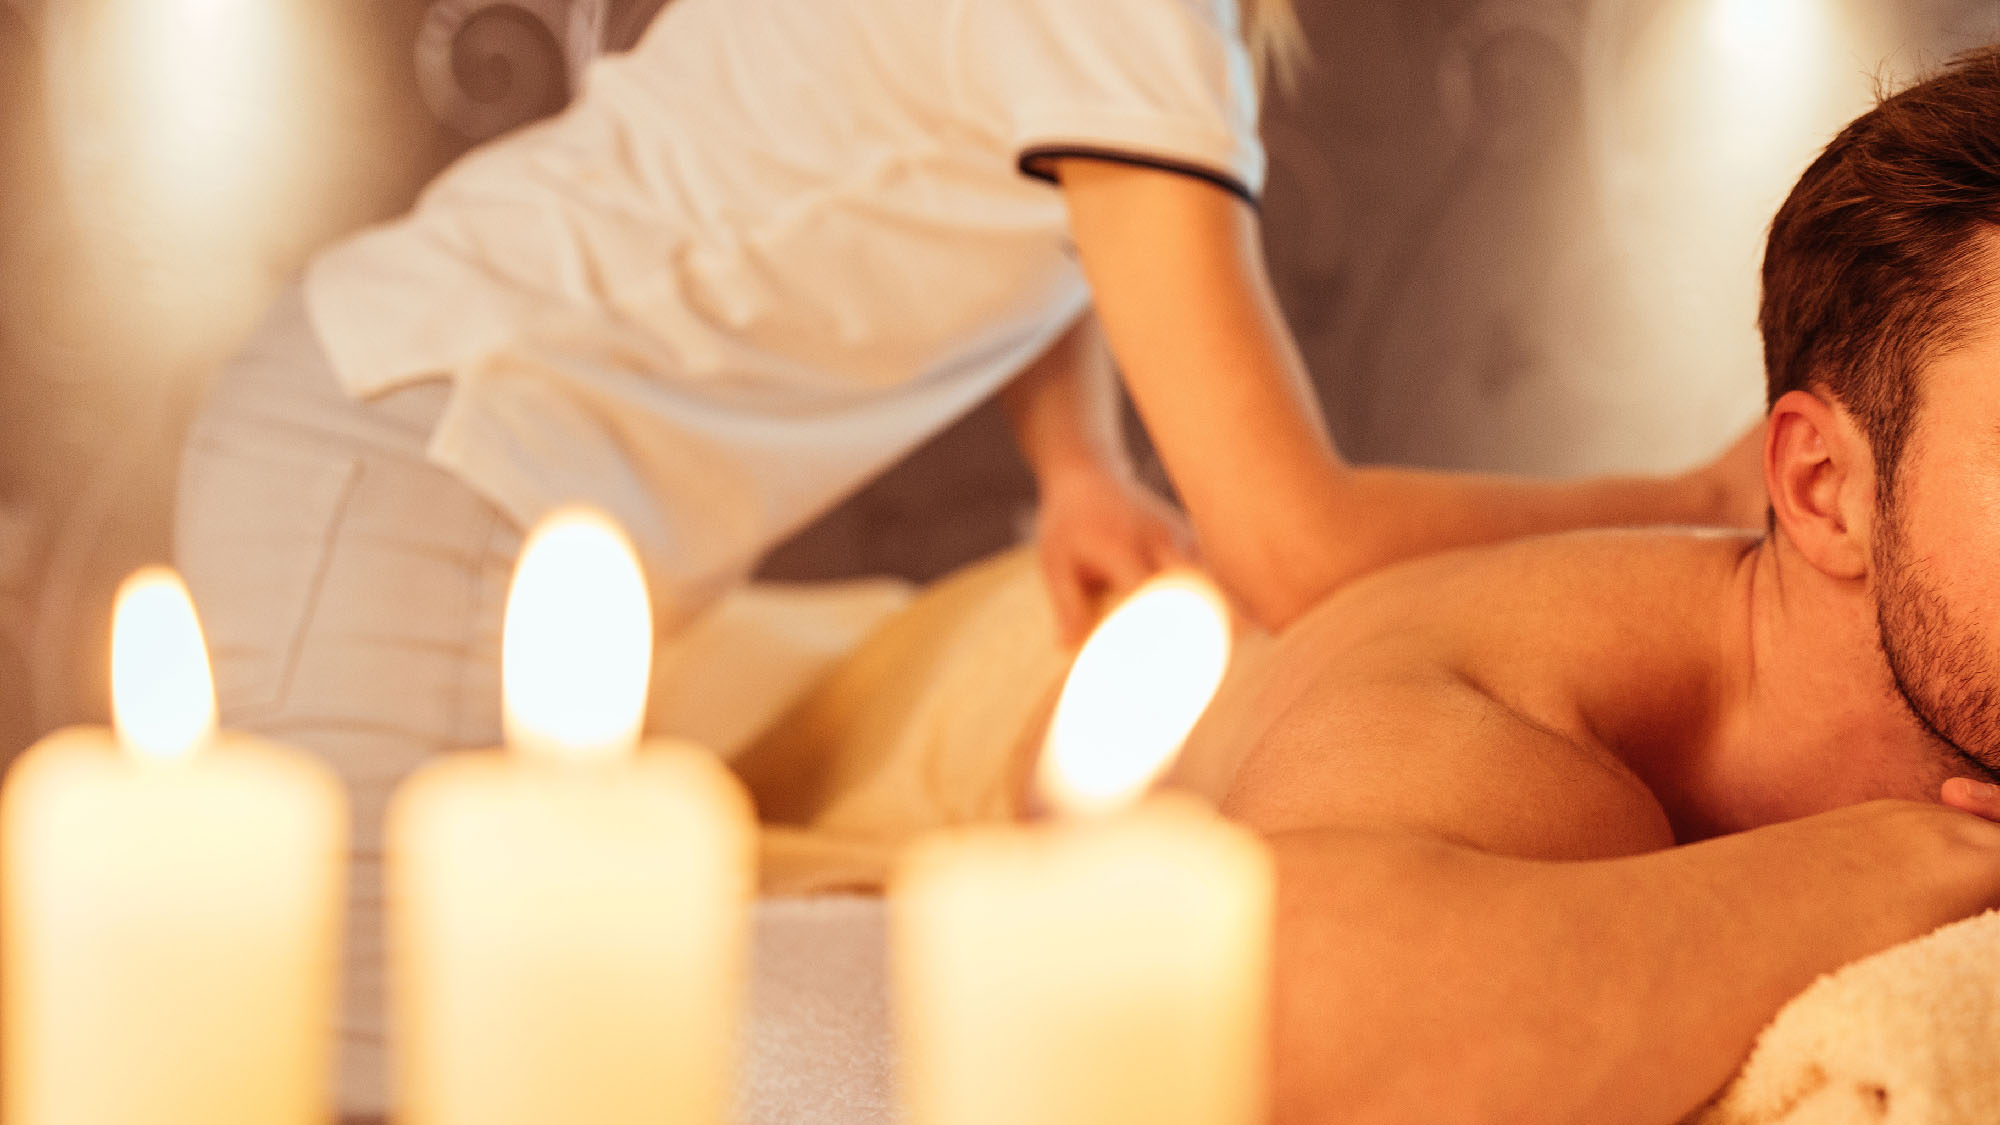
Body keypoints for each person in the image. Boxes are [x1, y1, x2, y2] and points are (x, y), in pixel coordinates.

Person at [170, 0, 1760, 1112]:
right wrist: (1693, 492)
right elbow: (1293, 541)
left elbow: (1022, 198)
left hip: (390, 430)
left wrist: (1081, 466)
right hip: (424, 459)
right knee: (374, 1070)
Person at [1198, 45, 2000, 1123]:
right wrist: (1907, 855)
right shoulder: (1526, 717)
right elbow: (1266, 1020)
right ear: (1822, 491)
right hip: (1091, 654)